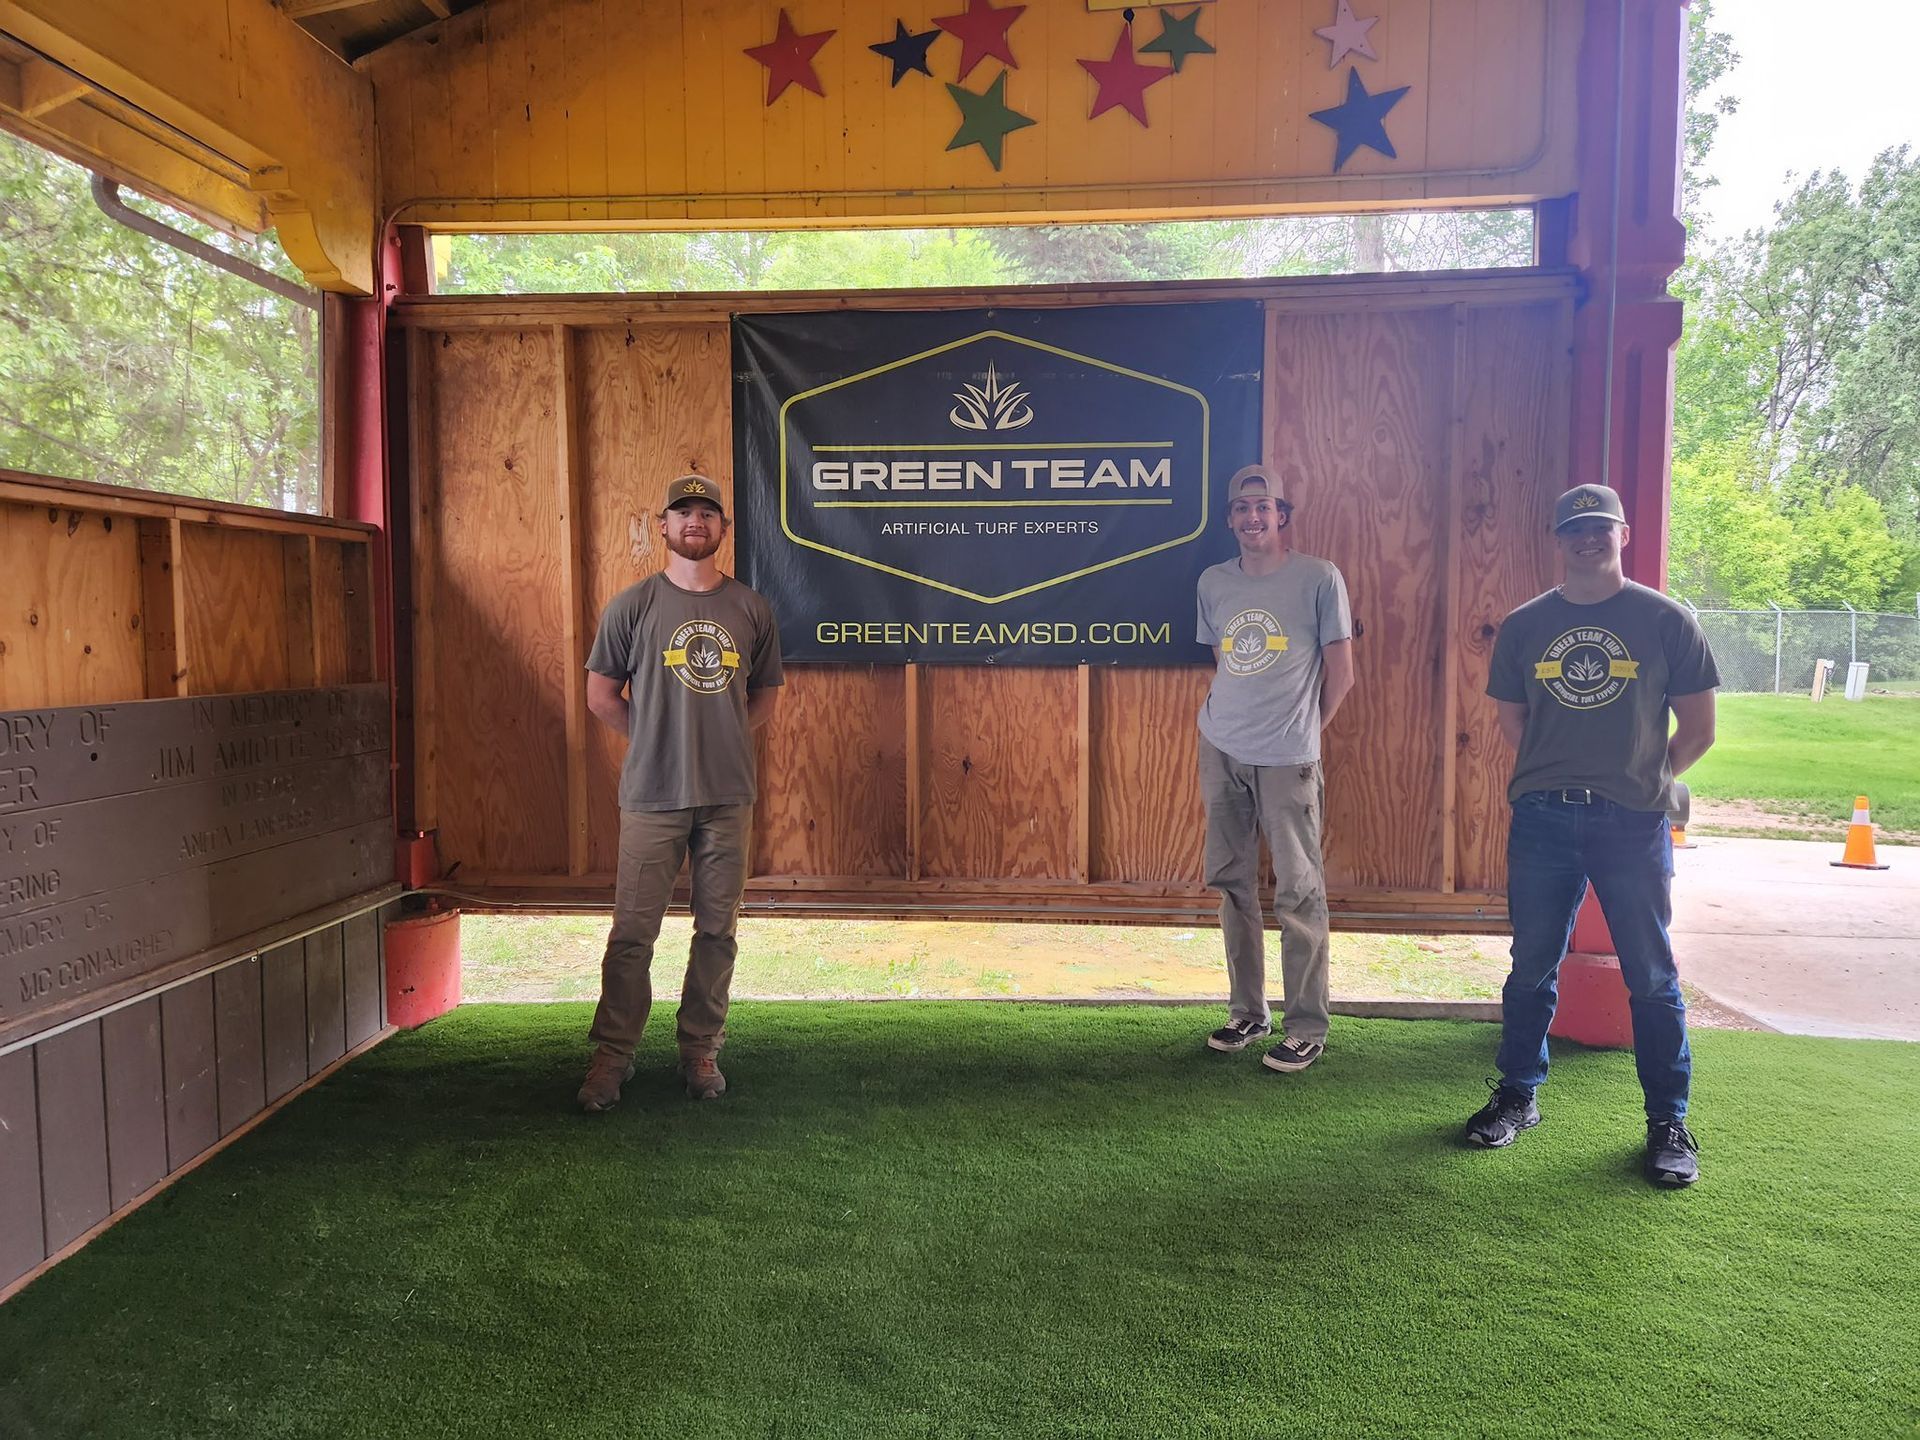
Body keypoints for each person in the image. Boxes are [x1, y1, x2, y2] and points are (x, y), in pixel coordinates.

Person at [1464, 482, 1718, 1188]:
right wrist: (1560, 772)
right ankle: (1518, 1094)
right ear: (1558, 540)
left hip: (1633, 823)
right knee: (1531, 967)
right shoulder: (1523, 626)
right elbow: (1514, 723)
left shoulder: (1665, 620)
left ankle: (1668, 1121)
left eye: (1600, 527)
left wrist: (1642, 778)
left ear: (1623, 534)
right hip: (1543, 817)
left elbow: (1698, 730)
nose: (1588, 539)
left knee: (1652, 976)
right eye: (1574, 529)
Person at [576, 474, 784, 1113]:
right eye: (683, 512)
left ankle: (700, 1049)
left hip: (728, 797)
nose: (695, 521)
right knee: (633, 934)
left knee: (717, 929)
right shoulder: (632, 605)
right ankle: (613, 1058)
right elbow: (601, 695)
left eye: (707, 513)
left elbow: (765, 695)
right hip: (651, 796)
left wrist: (714, 732)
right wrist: (659, 736)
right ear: (661, 526)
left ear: (723, 531)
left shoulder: (751, 609)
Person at [1196, 463, 1355, 1073]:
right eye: (1242, 508)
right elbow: (1226, 659)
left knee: (1299, 889)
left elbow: (1342, 671)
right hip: (1221, 745)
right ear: (1231, 517)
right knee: (1230, 881)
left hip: (1290, 756)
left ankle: (1307, 1024)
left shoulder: (1319, 577)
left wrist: (1308, 732)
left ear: (1282, 515)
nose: (1253, 517)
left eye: (1265, 507)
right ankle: (1247, 1011)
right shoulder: (1213, 581)